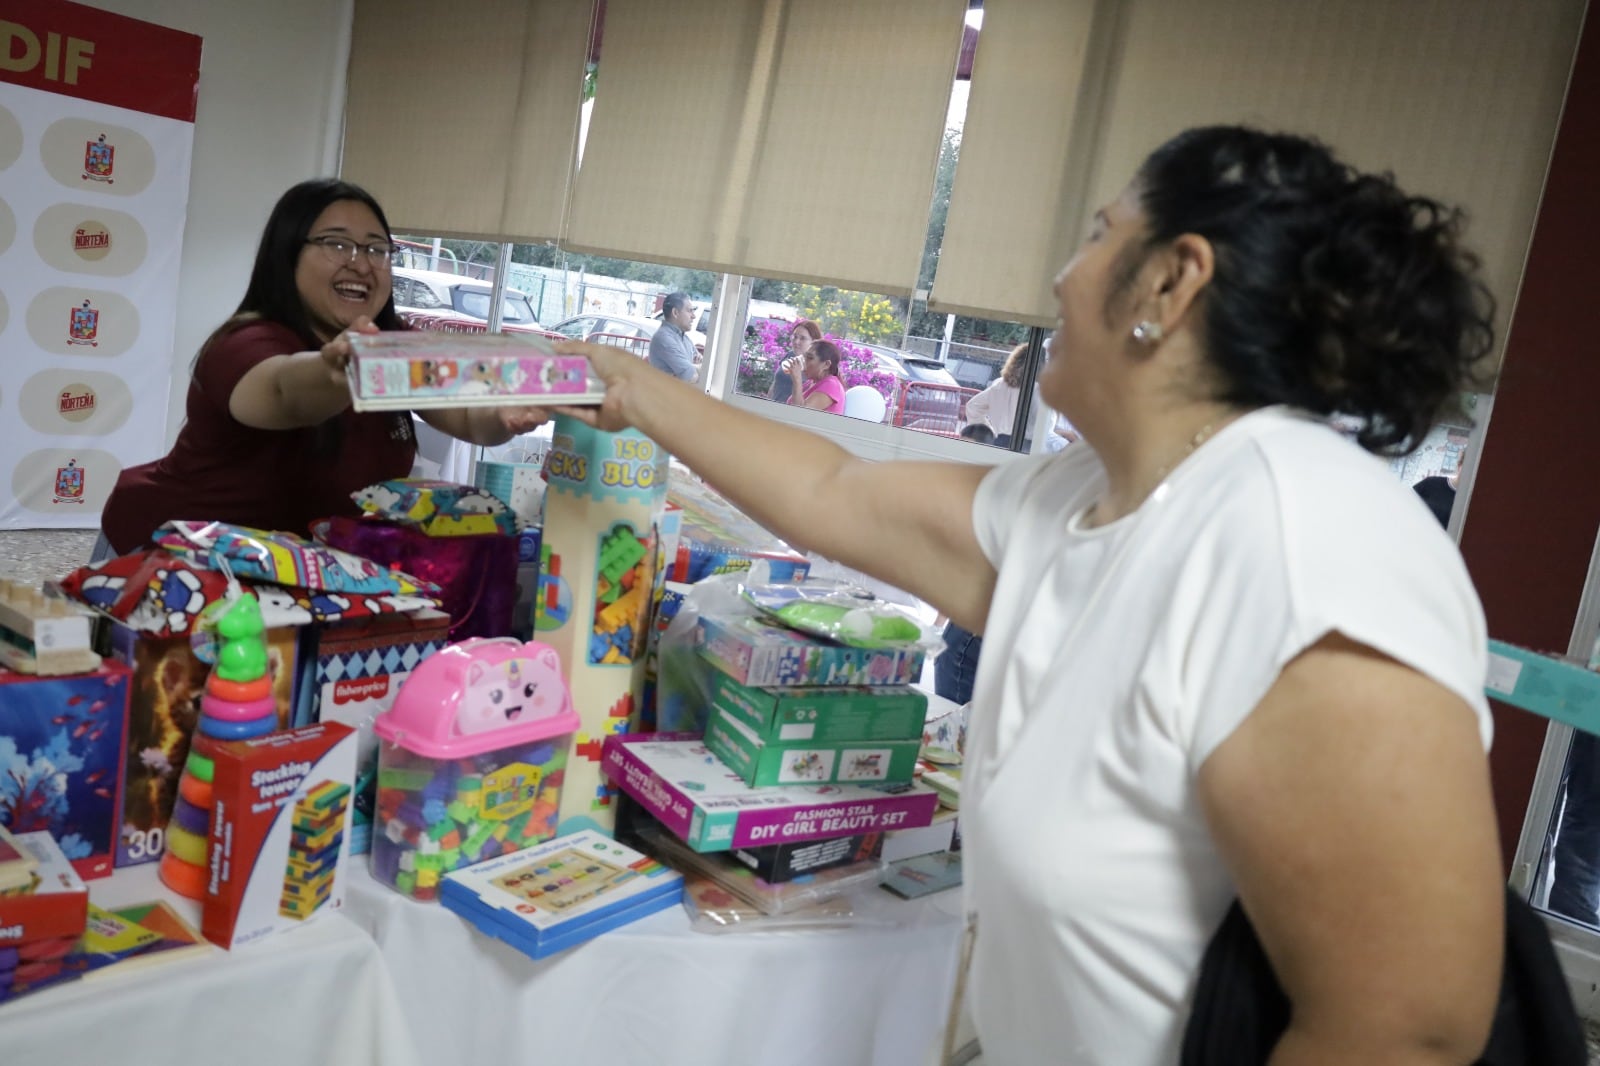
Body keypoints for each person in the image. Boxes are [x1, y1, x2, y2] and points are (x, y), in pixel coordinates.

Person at [550, 125, 1506, 1064]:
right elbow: (830, 492)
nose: (1060, 274)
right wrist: (622, 383)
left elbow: (1405, 1029)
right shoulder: (1078, 500)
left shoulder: (1306, 542)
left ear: (1173, 282)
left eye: (1098, 235)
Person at [99, 178, 546, 556]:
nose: (361, 264)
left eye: (376, 250)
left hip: (282, 572)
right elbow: (285, 393)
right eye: (336, 244)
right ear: (287, 254)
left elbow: (469, 417)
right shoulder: (244, 345)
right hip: (165, 556)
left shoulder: (394, 346)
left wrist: (505, 415)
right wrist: (340, 371)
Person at [962, 342, 1028, 446]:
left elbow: (973, 406)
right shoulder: (1037, 389)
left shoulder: (999, 384)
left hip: (999, 442)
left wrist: (990, 433)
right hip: (1023, 445)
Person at [646, 291, 699, 382]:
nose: (693, 316)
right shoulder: (664, 339)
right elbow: (690, 376)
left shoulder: (685, 339)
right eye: (690, 311)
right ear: (675, 313)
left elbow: (698, 363)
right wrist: (694, 369)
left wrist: (693, 368)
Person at [782, 338, 846, 413]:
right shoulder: (811, 383)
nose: (804, 361)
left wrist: (797, 379)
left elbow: (800, 413)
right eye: (804, 357)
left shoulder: (832, 385)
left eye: (809, 358)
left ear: (826, 364)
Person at [770, 318, 821, 404]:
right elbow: (775, 384)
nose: (796, 341)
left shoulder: (816, 366)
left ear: (814, 341)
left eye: (803, 338)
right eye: (795, 337)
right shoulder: (789, 355)